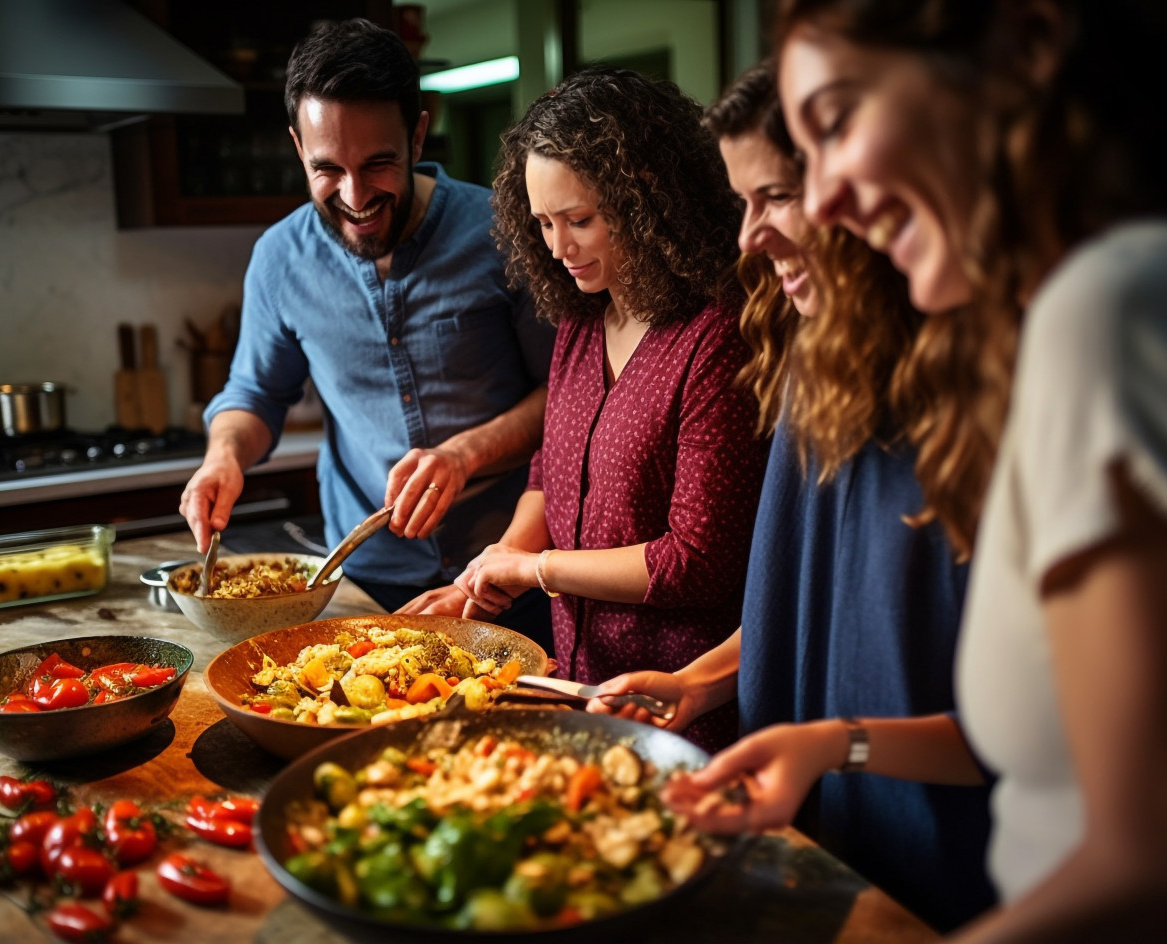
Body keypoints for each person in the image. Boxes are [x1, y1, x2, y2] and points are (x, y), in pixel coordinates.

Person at [673, 1, 1167, 939]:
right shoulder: (1052, 329)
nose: (821, 204)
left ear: (1020, 52)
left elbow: (1138, 864)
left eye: (837, 122)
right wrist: (830, 744)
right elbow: (1032, 745)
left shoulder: (1102, 308)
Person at [595, 62, 995, 932]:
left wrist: (833, 745)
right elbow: (811, 599)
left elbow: (1018, 725)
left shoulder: (979, 402)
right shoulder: (806, 357)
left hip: (946, 864)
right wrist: (699, 681)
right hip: (820, 829)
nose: (750, 237)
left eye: (776, 196)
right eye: (742, 202)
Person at [412, 67, 768, 752]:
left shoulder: (716, 338)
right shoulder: (581, 320)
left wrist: (534, 571)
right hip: (581, 684)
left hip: (680, 707)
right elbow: (549, 472)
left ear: (648, 201)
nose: (557, 247)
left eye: (579, 220)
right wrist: (497, 563)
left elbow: (694, 563)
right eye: (542, 222)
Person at [178, 18, 556, 650]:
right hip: (365, 582)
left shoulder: (506, 233)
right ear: (298, 147)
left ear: (416, 134)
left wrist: (465, 455)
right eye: (328, 168)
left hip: (510, 572)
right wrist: (224, 456)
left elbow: (570, 395)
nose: (355, 195)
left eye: (378, 163)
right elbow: (255, 394)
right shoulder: (279, 259)